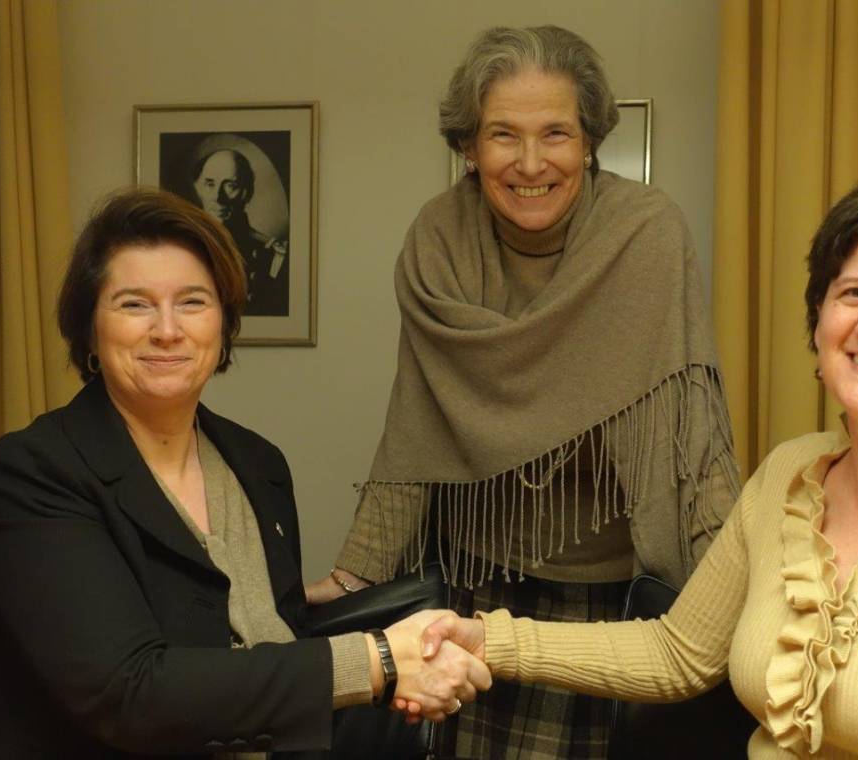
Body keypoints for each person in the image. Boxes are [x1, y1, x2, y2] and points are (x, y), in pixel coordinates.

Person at [416, 174, 858, 757]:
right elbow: (677, 653)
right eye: (855, 293)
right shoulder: (793, 472)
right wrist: (485, 639)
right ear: (819, 322)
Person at [305, 25, 739, 758]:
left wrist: (731, 587)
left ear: (591, 141)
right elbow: (415, 426)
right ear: (469, 147)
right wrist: (355, 576)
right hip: (477, 585)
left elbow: (688, 432)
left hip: (616, 605)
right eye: (503, 134)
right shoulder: (438, 238)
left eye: (556, 134)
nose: (531, 162)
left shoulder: (647, 233)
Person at [0, 189, 489, 759]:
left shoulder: (259, 465)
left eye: (193, 302)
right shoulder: (32, 473)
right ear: (88, 331)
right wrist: (379, 661)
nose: (167, 330)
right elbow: (129, 694)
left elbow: (274, 651)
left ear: (224, 324)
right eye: (134, 304)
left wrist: (409, 664)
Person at [191, 147, 290, 317]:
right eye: (210, 184)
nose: (217, 196)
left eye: (231, 185)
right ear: (198, 188)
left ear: (247, 192)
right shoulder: (180, 250)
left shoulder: (272, 255)